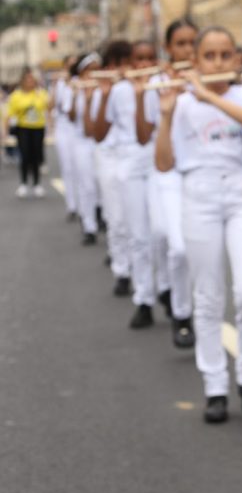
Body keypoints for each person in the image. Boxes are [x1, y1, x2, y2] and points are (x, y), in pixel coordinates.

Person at [154, 26, 242, 425]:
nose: (218, 63)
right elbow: (164, 163)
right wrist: (167, 116)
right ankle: (215, 384)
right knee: (208, 295)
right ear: (196, 61)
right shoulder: (178, 101)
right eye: (209, 56)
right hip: (198, 196)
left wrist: (207, 95)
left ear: (236, 59)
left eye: (225, 55)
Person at [94, 41, 160, 329]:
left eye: (150, 58)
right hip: (128, 163)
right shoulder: (119, 90)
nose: (144, 64)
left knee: (165, 235)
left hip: (161, 163)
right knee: (138, 234)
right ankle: (144, 297)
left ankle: (171, 292)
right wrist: (104, 95)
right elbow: (97, 132)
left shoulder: (166, 83)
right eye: (138, 59)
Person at [141, 19, 198, 348]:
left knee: (186, 248)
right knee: (169, 240)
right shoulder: (155, 83)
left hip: (199, 173)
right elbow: (144, 132)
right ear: (169, 48)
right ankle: (177, 304)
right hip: (165, 171)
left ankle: (185, 313)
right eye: (180, 43)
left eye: (193, 43)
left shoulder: (207, 80)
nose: (187, 50)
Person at [86, 43, 134, 296]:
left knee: (137, 219)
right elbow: (96, 133)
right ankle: (122, 270)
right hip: (109, 157)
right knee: (116, 218)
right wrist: (105, 96)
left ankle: (142, 270)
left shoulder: (141, 87)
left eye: (125, 63)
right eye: (115, 64)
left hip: (136, 158)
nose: (120, 69)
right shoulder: (100, 93)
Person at [71, 53, 103, 245]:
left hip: (101, 142)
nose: (94, 73)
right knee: (86, 185)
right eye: (90, 69)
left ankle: (102, 220)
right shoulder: (74, 87)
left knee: (101, 186)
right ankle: (89, 225)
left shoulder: (104, 88)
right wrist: (79, 96)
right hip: (81, 141)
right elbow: (71, 114)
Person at [7, 69, 50, 198]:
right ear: (23, 81)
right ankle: (24, 183)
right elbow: (10, 114)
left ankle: (37, 184)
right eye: (28, 79)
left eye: (32, 79)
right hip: (23, 128)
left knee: (36, 156)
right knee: (25, 156)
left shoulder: (40, 93)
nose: (30, 82)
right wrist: (5, 132)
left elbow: (48, 106)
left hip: (38, 128)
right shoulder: (16, 95)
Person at [52, 60, 81, 217]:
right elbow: (53, 105)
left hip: (78, 129)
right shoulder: (61, 83)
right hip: (63, 127)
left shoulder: (81, 82)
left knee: (81, 169)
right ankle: (72, 205)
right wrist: (56, 86)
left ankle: (87, 207)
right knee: (67, 168)